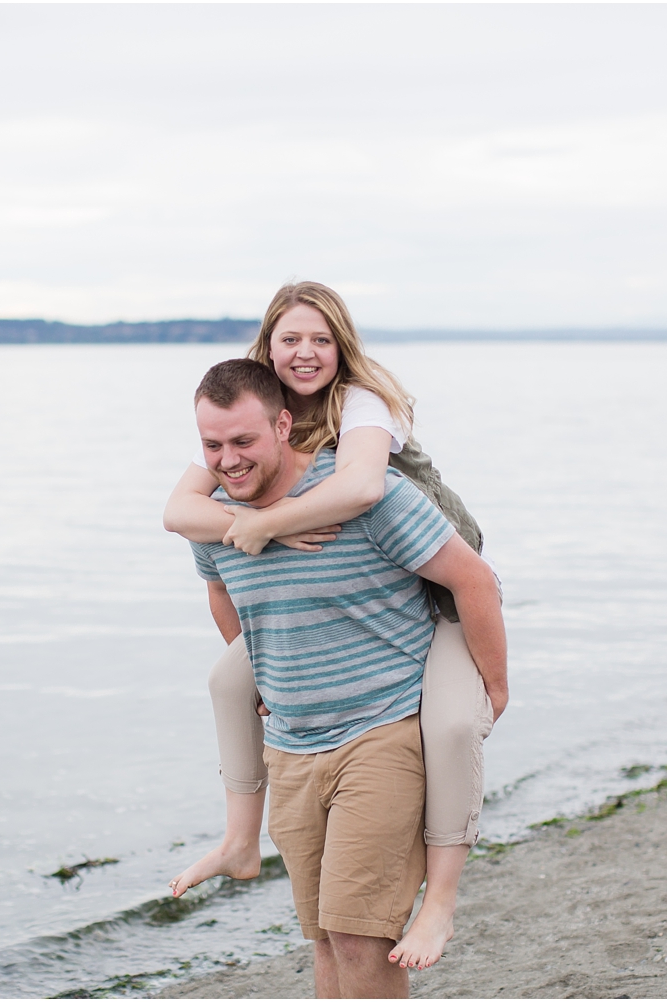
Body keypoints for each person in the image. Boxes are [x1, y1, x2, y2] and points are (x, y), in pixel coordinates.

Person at [163, 282, 499, 970]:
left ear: (342, 347)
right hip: (298, 738)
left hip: (434, 593)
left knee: (456, 725)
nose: (305, 352)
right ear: (268, 349)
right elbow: (180, 515)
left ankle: (441, 902)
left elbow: (363, 491)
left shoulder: (361, 408)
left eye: (320, 339)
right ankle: (238, 837)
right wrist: (245, 527)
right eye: (290, 339)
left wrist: (270, 525)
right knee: (229, 681)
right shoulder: (243, 434)